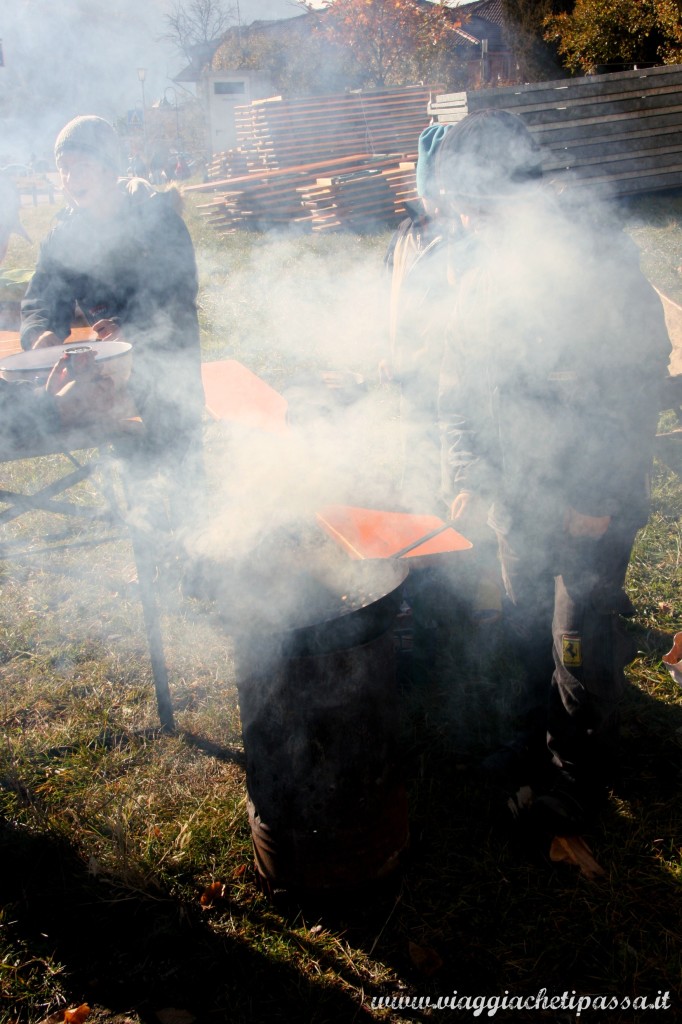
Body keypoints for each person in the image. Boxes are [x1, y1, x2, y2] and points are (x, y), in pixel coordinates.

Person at [435, 109, 672, 836]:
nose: (470, 221)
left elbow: (637, 380)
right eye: (464, 207)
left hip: (585, 499)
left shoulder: (595, 259)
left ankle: (579, 772)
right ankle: (527, 740)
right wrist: (469, 468)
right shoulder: (479, 272)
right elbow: (460, 385)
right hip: (519, 497)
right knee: (525, 622)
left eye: (481, 205)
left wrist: (598, 495)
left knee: (578, 638)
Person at [19, 115, 206, 544]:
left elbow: (176, 292)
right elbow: (42, 297)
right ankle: (153, 543)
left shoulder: (155, 220)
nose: (70, 178)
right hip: (111, 368)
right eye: (63, 168)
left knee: (179, 449)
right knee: (132, 454)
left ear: (107, 167)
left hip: (166, 356)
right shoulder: (66, 233)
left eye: (79, 166)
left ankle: (201, 549)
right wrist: (41, 331)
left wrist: (132, 327)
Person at [382, 123, 451, 515]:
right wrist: (387, 349)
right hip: (412, 371)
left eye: (443, 193)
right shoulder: (407, 233)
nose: (435, 204)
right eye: (430, 193)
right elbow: (387, 296)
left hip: (449, 374)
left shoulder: (466, 243)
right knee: (418, 456)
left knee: (450, 465)